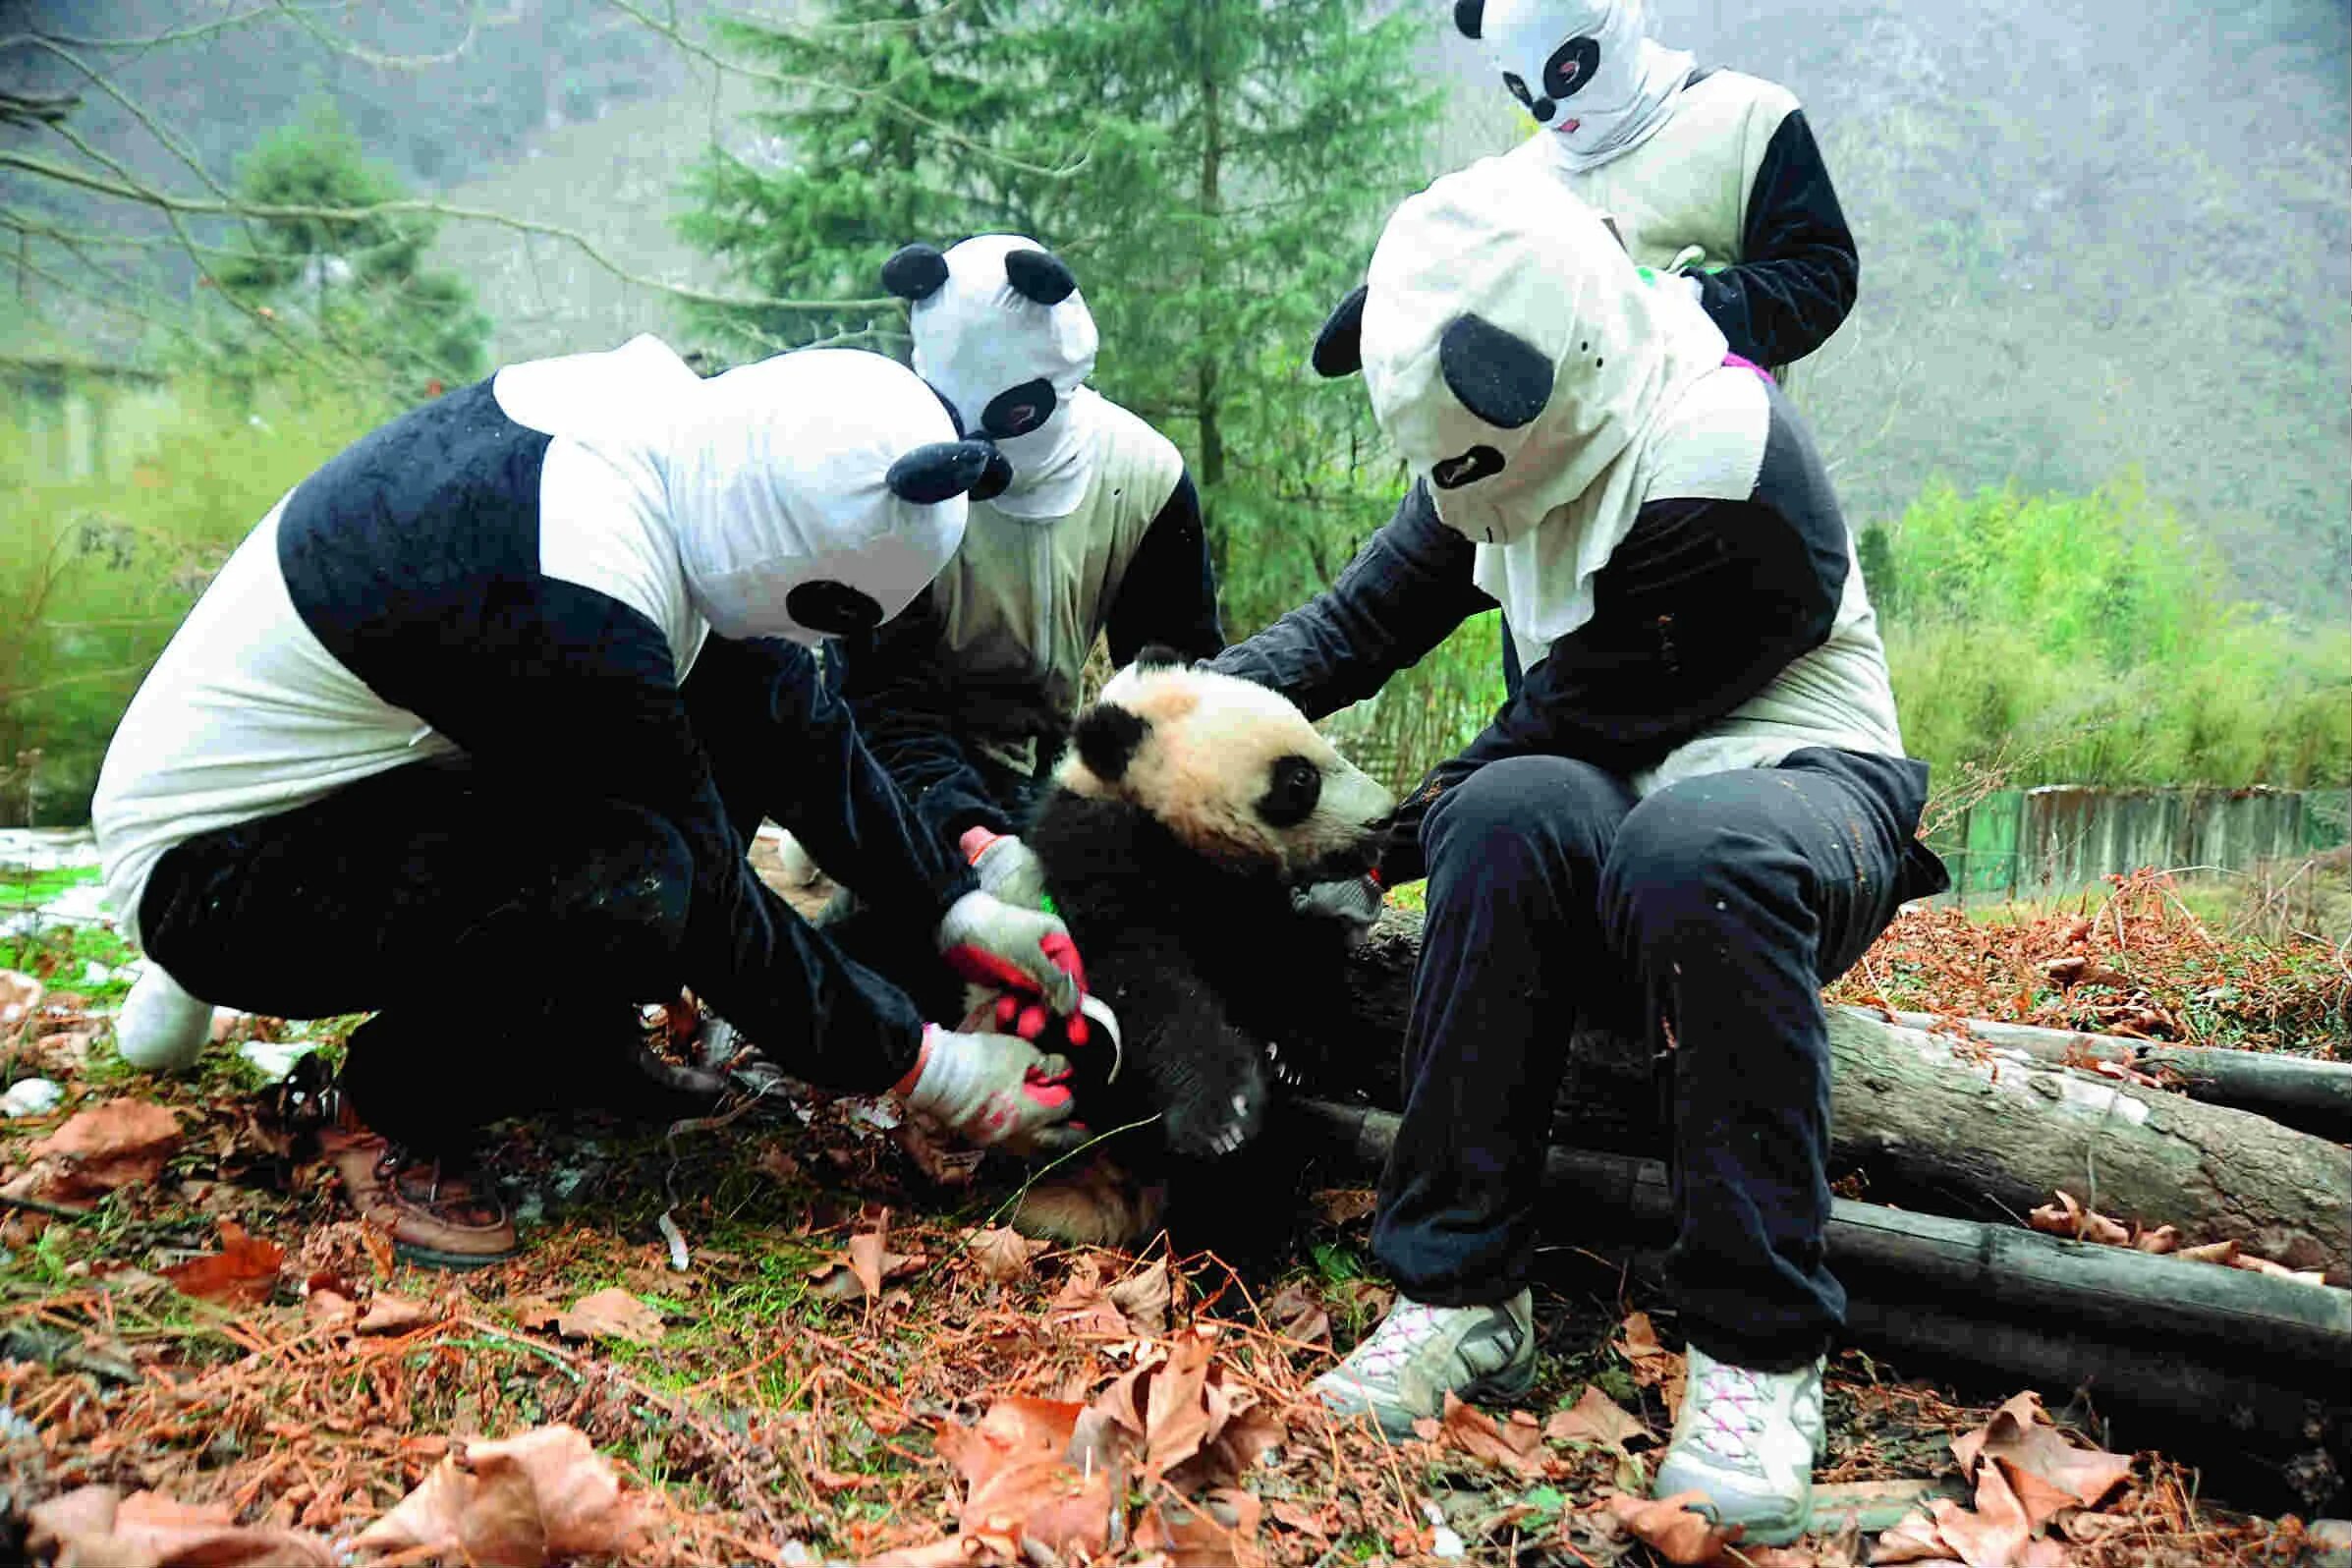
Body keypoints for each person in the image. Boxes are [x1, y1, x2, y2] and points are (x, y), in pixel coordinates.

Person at [1215, 155, 1947, 1543]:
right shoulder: (1501, 427)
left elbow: (1570, 710)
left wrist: (1348, 851)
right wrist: (1160, 727)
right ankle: (1456, 1293)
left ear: (1542, 375)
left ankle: (1755, 1353)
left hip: (1793, 786)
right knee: (1505, 816)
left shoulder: (1723, 454)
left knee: (1687, 844)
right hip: (1611, 787)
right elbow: (1348, 633)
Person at [91, 337, 1094, 1266]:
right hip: (214, 873)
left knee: (685, 780)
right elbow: (708, 894)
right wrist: (934, 1068)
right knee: (636, 879)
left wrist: (956, 906)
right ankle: (381, 1107)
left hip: (349, 780)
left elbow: (795, 724)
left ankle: (567, 1043)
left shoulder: (699, 451)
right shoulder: (574, 577)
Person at [834, 234, 1223, 919]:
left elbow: (1174, 687)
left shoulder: (1144, 477)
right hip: (922, 761)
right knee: (900, 918)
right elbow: (881, 702)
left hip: (1061, 755)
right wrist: (972, 837)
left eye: (1010, 417)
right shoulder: (902, 484)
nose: (985, 452)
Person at [1455, 0, 1859, 375]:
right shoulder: (1512, 185)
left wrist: (1692, 303)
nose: (1545, 109)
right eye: (1520, 89)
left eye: (1564, 74)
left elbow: (1822, 276)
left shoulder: (1750, 119)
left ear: (1613, 31)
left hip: (1716, 435)